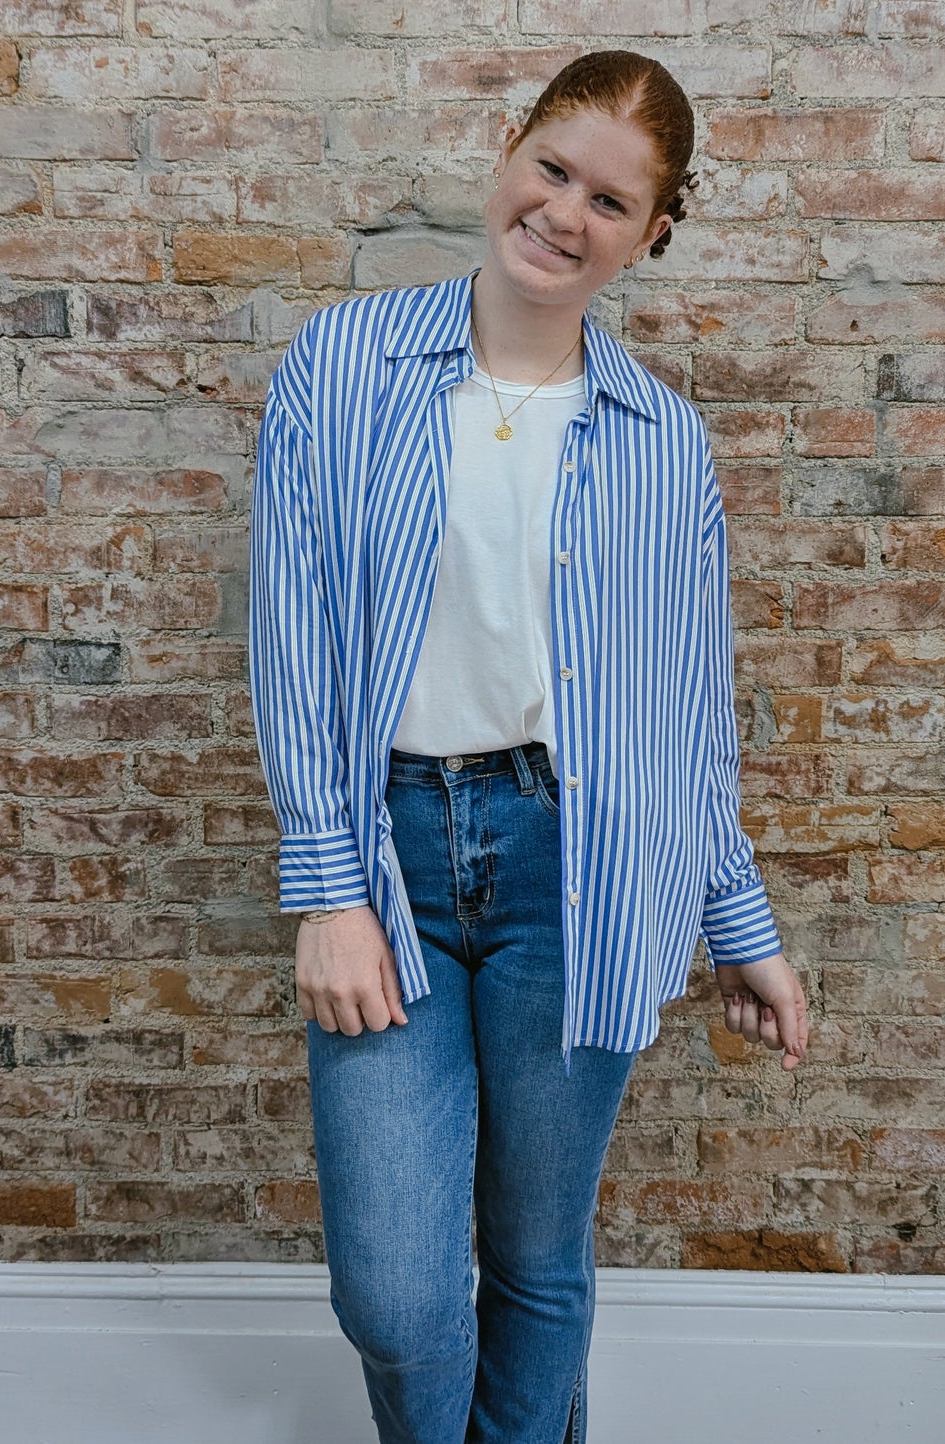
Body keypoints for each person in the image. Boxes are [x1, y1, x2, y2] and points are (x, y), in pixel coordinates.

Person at [248, 49, 809, 1444]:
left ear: (651, 235)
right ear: (508, 151)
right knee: (392, 1291)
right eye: (553, 169)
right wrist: (325, 889)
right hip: (389, 857)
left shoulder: (662, 442)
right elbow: (294, 633)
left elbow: (689, 712)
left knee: (540, 1259)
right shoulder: (343, 364)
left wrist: (738, 921)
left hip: (587, 860)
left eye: (611, 202)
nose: (566, 213)